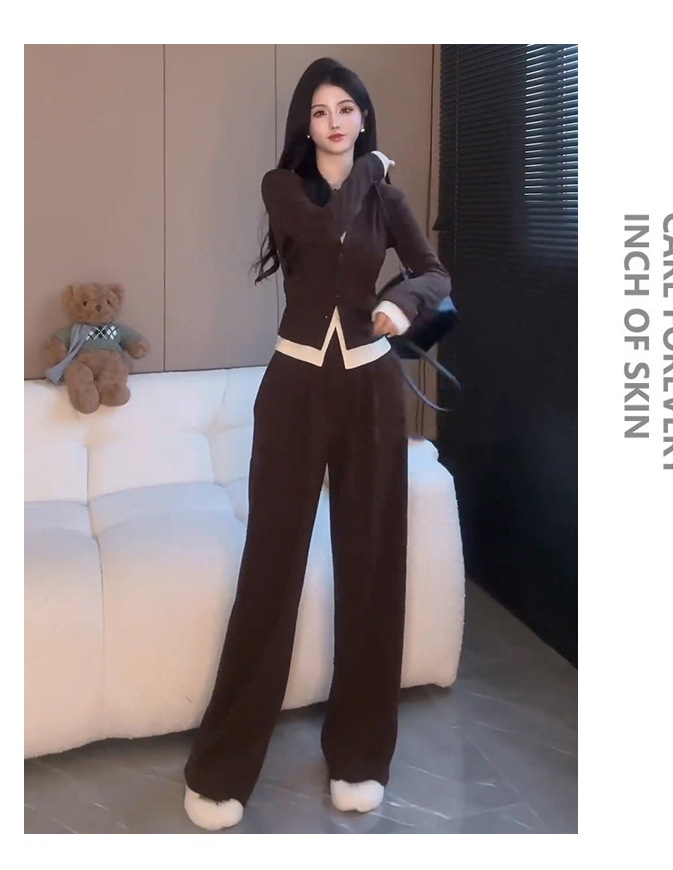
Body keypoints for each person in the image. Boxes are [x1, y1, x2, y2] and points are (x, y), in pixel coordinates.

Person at [183, 56, 452, 831]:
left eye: (347, 109)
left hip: (371, 393)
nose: (334, 122)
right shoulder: (284, 188)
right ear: (307, 124)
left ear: (363, 116)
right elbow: (328, 227)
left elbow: (435, 273)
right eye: (321, 111)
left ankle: (361, 757)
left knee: (373, 571)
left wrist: (404, 302)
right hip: (295, 390)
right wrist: (371, 169)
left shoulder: (387, 197)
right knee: (271, 571)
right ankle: (223, 769)